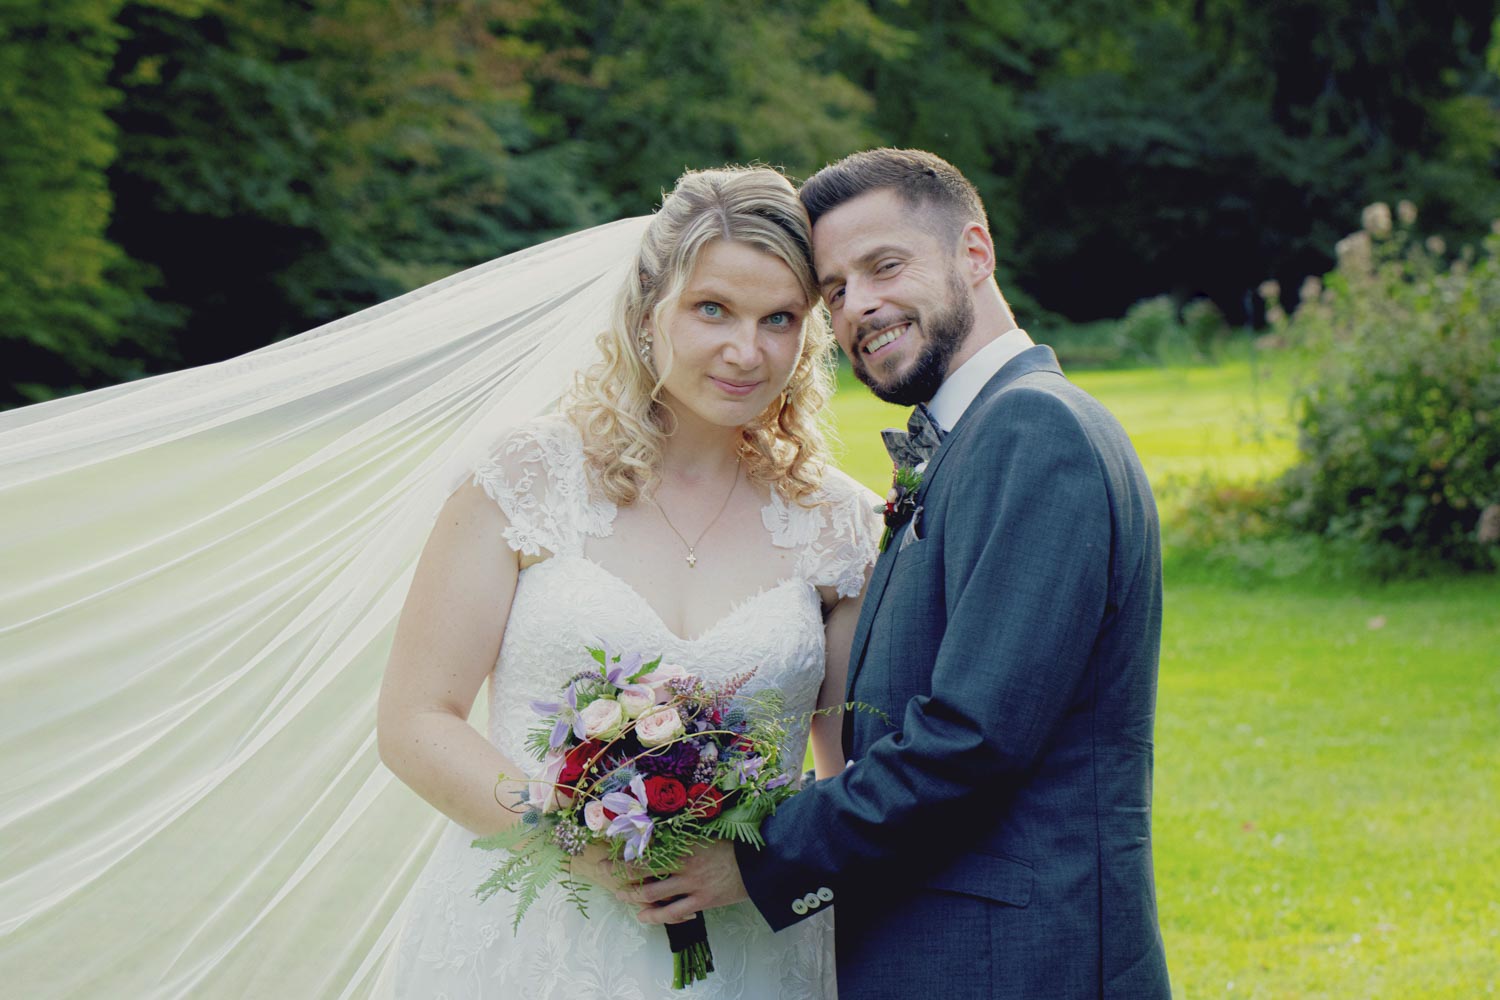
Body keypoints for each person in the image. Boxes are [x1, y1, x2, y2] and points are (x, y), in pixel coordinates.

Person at [625, 149, 1173, 998]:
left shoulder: (1035, 431)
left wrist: (754, 856)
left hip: (1015, 963)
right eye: (835, 291)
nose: (859, 306)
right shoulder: (977, 436)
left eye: (885, 266)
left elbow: (972, 742)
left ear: (975, 252)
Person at [373, 165, 879, 998]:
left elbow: (855, 772)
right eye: (711, 308)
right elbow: (415, 721)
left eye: (779, 319)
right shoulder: (525, 477)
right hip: (531, 942)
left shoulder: (839, 526)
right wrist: (573, 839)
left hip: (749, 951)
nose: (746, 351)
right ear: (649, 310)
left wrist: (757, 861)